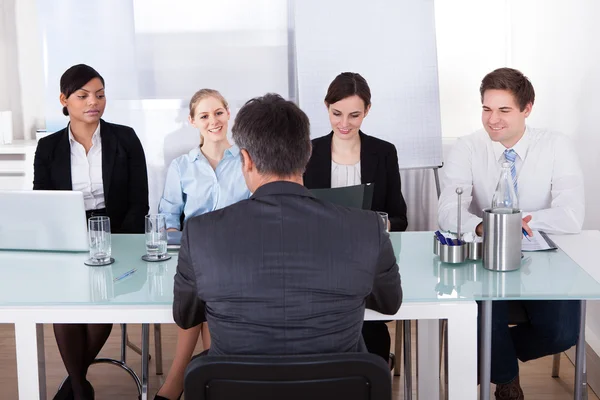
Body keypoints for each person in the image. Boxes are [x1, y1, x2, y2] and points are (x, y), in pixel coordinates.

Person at [173, 93, 402, 358]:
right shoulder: (367, 228)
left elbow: (186, 314)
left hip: (235, 386)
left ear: (245, 160)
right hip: (338, 386)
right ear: (308, 153)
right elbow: (389, 303)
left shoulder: (200, 233)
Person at [438, 67, 584, 400]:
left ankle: (487, 357)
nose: (493, 120)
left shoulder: (556, 146)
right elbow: (448, 210)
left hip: (542, 259)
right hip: (485, 255)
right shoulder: (467, 147)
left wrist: (520, 221)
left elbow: (572, 215)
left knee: (563, 333)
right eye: (487, 109)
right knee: (485, 312)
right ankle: (506, 380)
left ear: (527, 108)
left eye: (504, 110)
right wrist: (483, 225)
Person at [33, 64, 149, 400]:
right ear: (64, 100)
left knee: (103, 303)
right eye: (82, 95)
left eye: (99, 94)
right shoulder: (50, 147)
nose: (93, 102)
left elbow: (138, 200)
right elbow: (45, 203)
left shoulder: (124, 138)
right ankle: (82, 388)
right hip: (70, 235)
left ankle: (76, 384)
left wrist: (119, 244)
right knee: (65, 303)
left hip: (118, 234)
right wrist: (67, 242)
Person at [303, 72, 408, 366]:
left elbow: (400, 218)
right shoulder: (308, 151)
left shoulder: (384, 152)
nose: (344, 124)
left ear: (368, 111)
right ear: (326, 107)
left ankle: (373, 367)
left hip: (366, 258)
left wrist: (377, 224)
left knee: (371, 330)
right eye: (337, 114)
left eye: (354, 115)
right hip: (318, 258)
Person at [154, 89, 250, 400]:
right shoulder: (182, 166)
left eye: (218, 113)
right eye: (205, 116)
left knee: (206, 292)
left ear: (228, 113)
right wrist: (173, 231)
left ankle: (177, 383)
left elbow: (257, 210)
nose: (213, 121)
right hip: (194, 256)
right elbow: (167, 215)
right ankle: (214, 380)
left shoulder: (247, 162)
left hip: (237, 258)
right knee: (205, 289)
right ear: (192, 121)